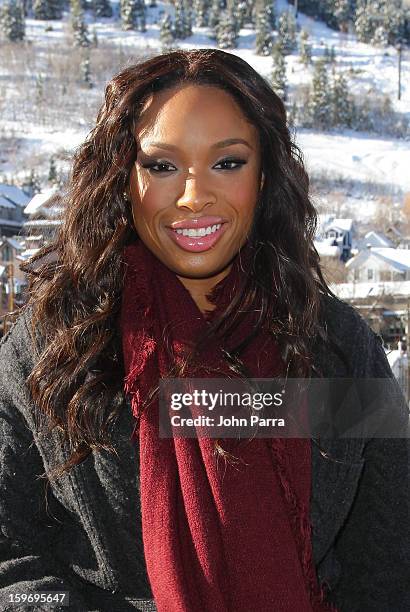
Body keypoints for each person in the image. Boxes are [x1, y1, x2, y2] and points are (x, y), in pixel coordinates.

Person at [0, 48, 409, 612]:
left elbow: (387, 561)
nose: (194, 195)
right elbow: (10, 559)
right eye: (162, 166)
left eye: (227, 162)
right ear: (122, 177)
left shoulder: (336, 349)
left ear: (265, 177)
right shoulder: (56, 349)